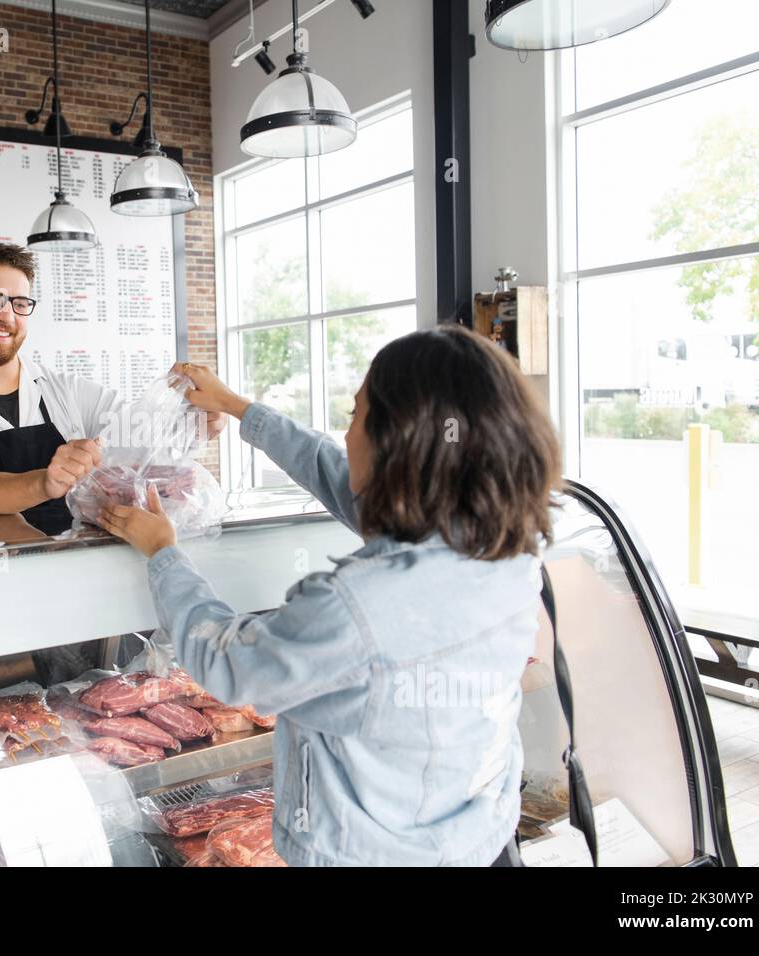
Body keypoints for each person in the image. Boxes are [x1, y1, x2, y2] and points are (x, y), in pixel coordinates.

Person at [97, 325, 561, 866]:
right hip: (477, 834)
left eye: (355, 417)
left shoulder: (362, 603)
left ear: (399, 443)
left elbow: (229, 664)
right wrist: (238, 408)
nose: (346, 436)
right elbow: (342, 478)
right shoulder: (501, 541)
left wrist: (164, 554)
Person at [0, 242, 223, 534]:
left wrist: (196, 421)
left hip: (73, 568)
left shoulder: (68, 393)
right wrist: (45, 482)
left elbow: (140, 432)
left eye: (19, 303)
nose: (6, 316)